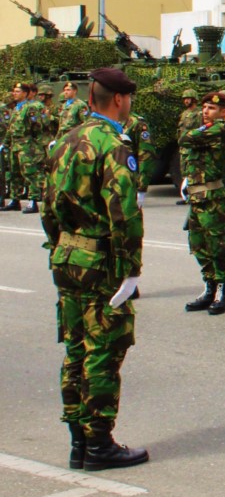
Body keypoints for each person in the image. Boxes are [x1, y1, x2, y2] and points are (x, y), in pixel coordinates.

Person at [45, 67, 148, 470]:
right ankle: (100, 444)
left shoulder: (65, 141)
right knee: (103, 352)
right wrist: (131, 269)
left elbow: (49, 204)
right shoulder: (113, 144)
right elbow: (124, 212)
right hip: (100, 261)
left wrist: (62, 245)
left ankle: (78, 443)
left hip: (67, 256)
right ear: (119, 100)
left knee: (74, 350)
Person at [179, 91, 225, 315]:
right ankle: (209, 286)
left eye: (211, 108)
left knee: (217, 246)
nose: (205, 111)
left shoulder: (219, 130)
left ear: (223, 112)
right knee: (198, 244)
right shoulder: (205, 130)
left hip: (212, 197)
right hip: (196, 196)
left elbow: (185, 139)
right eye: (204, 108)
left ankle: (222, 291)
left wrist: (192, 133)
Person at [11, 82, 48, 214]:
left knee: (30, 173)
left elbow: (37, 127)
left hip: (27, 144)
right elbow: (12, 129)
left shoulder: (30, 108)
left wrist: (34, 145)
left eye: (18, 91)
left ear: (25, 94)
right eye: (14, 91)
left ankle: (33, 200)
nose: (14, 93)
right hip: (15, 144)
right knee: (15, 173)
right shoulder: (16, 108)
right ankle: (14, 200)